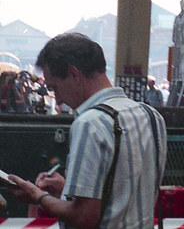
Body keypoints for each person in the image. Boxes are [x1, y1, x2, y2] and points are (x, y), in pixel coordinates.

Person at [7, 33, 167, 229]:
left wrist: (38, 196)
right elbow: (126, 194)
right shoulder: (150, 115)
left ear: (74, 74)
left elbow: (84, 217)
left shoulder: (90, 124)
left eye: (54, 88)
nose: (57, 100)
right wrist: (67, 190)